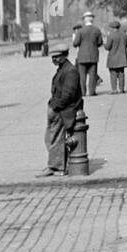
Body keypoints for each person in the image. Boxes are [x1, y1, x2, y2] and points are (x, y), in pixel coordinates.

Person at [38, 41, 82, 177]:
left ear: (65, 56)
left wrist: (55, 106)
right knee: (50, 138)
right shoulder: (64, 69)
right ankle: (58, 164)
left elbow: (68, 95)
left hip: (63, 110)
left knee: (55, 138)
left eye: (57, 57)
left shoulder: (70, 71)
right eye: (53, 57)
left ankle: (56, 167)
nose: (54, 59)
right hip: (58, 109)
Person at [71, 11, 103, 97]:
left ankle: (82, 92)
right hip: (93, 55)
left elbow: (75, 43)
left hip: (82, 56)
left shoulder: (80, 31)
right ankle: (92, 92)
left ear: (84, 20)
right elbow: (100, 43)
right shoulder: (97, 30)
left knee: (82, 76)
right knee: (92, 75)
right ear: (92, 19)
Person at [105, 19, 127, 93]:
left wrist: (104, 44)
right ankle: (121, 89)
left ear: (112, 27)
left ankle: (114, 89)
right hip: (122, 57)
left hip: (113, 57)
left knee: (113, 74)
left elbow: (107, 47)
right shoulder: (124, 35)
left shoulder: (111, 35)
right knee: (121, 73)